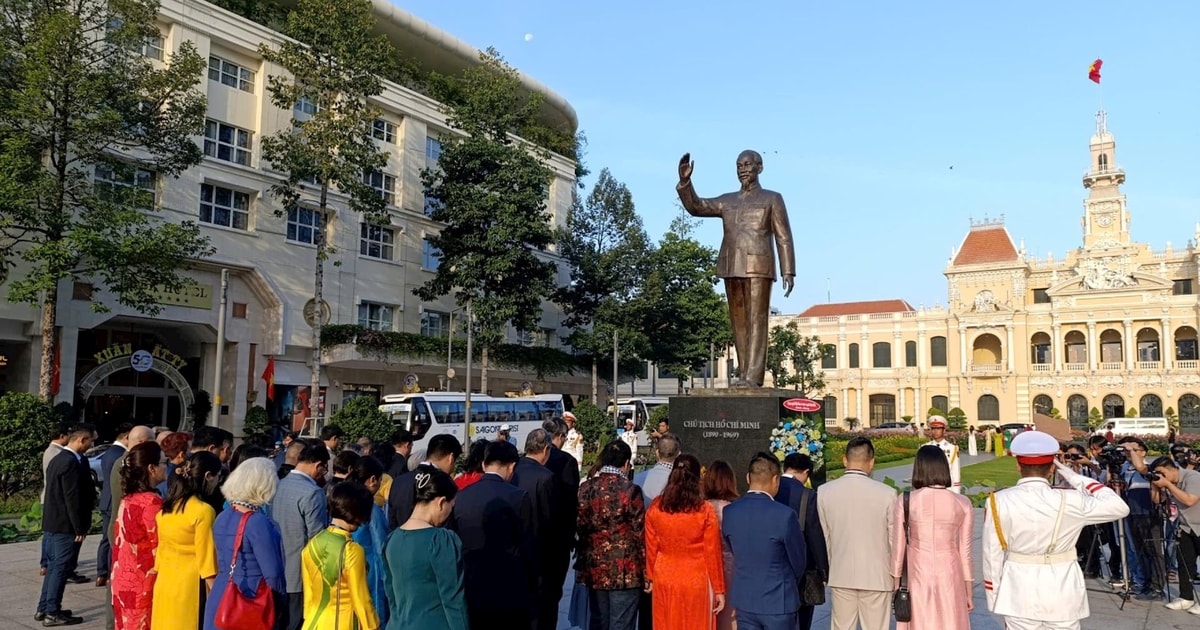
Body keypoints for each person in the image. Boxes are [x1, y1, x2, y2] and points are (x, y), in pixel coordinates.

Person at [982, 430, 1130, 629]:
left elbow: (991, 554)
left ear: (1018, 465)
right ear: (1052, 469)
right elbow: (1119, 507)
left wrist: (994, 596)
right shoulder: (1072, 499)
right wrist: (1073, 477)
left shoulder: (998, 500)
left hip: (1019, 587)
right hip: (1063, 586)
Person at [676, 149, 795, 387]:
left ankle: (754, 376)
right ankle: (744, 375)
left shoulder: (772, 198)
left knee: (757, 320)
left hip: (759, 266)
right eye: (739, 165)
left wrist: (788, 270)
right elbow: (697, 207)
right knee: (738, 324)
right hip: (731, 266)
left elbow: (784, 236)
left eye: (748, 164)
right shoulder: (726, 200)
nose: (743, 169)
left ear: (759, 167)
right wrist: (685, 182)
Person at [447, 440, 537, 628]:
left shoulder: (461, 496)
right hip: (509, 586)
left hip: (471, 583)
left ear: (483, 464)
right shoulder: (518, 497)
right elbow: (528, 546)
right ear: (512, 466)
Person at [890, 445, 974, 630]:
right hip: (950, 570)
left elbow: (898, 548)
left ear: (918, 469)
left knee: (920, 622)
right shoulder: (962, 503)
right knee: (951, 621)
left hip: (917, 570)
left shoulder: (906, 500)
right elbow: (966, 552)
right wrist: (968, 591)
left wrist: (897, 585)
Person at [817, 437, 896, 630]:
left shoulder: (824, 491)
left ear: (845, 460)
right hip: (877, 575)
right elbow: (894, 539)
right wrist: (897, 574)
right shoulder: (887, 493)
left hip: (841, 573)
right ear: (871, 462)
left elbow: (824, 537)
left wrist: (827, 569)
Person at [721, 453, 806, 630]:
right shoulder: (785, 515)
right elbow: (798, 561)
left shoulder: (730, 512)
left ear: (747, 477)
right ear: (776, 479)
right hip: (778, 600)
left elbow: (734, 549)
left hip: (745, 599)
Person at [645, 454, 726, 630]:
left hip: (665, 575)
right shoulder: (705, 511)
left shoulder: (656, 506)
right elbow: (712, 552)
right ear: (698, 478)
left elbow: (651, 546)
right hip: (695, 578)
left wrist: (650, 576)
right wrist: (719, 588)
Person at [203, 457, 285, 630]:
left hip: (221, 595)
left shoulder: (222, 516)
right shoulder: (257, 521)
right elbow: (273, 572)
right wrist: (280, 604)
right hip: (249, 597)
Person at [383, 465, 469, 630]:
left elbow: (391, 596)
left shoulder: (391, 540)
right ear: (441, 502)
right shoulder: (441, 540)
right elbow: (454, 601)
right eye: (451, 506)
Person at [577, 439, 646, 630]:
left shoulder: (586, 488)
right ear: (626, 463)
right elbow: (639, 532)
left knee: (598, 621)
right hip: (625, 569)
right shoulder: (630, 490)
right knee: (622, 623)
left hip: (595, 566)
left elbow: (581, 527)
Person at [151, 451, 223, 630]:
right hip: (190, 588)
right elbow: (208, 563)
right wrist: (220, 598)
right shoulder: (203, 511)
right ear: (208, 476)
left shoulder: (166, 509)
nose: (218, 483)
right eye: (217, 477)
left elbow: (160, 554)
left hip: (165, 583)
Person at [38, 423, 97, 625]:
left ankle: (44, 608)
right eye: (90, 441)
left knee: (54, 567)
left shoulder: (58, 458)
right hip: (64, 524)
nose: (91, 445)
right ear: (82, 440)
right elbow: (71, 497)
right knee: (60, 568)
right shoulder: (70, 461)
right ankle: (52, 612)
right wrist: (78, 527)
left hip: (54, 521)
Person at [269, 438, 331, 630]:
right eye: (323, 470)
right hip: (300, 575)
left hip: (276, 569)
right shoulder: (313, 492)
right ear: (318, 465)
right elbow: (317, 538)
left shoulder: (277, 485)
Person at [301, 483, 380, 630]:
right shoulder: (352, 550)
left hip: (313, 622)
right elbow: (360, 598)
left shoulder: (313, 543)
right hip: (343, 623)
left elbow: (309, 597)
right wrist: (373, 626)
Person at [111, 441, 167, 630]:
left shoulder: (128, 498)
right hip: (143, 579)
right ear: (151, 468)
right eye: (163, 462)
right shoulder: (152, 503)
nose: (166, 467)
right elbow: (159, 543)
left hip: (123, 575)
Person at [774, 454, 828, 630]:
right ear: (806, 472)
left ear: (784, 468)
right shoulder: (807, 495)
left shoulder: (770, 488)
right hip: (802, 568)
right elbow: (815, 535)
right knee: (802, 618)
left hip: (774, 565)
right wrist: (823, 571)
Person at [512, 429, 557, 630]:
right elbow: (550, 518)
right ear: (546, 449)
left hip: (514, 549)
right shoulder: (546, 477)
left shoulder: (513, 470)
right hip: (540, 552)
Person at [540, 418, 581, 630]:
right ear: (561, 437)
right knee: (553, 594)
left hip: (531, 536)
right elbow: (571, 500)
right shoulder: (566, 462)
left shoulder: (525, 461)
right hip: (558, 538)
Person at [1148, 456, 1200, 614]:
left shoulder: (1193, 477)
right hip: (1186, 527)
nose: (1160, 476)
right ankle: (1186, 597)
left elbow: (1190, 500)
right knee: (1184, 563)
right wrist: (1155, 485)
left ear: (1172, 468)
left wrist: (1167, 485)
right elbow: (1157, 501)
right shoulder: (1168, 483)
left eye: (1161, 473)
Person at [347, 457, 390, 626]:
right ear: (373, 480)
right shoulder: (372, 509)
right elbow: (381, 547)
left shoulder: (344, 501)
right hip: (371, 570)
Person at [387, 433, 461, 528]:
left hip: (400, 539)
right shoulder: (444, 484)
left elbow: (392, 521)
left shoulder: (399, 481)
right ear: (451, 458)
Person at [701, 460, 739, 630]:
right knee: (728, 619)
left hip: (705, 567)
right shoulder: (734, 510)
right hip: (730, 567)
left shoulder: (700, 509)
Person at [97, 422, 135, 588]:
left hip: (106, 499)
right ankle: (105, 571)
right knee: (110, 538)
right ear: (127, 436)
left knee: (106, 539)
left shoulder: (109, 452)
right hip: (114, 500)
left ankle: (101, 572)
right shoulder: (121, 456)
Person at [39, 422, 72, 579]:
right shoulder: (56, 453)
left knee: (49, 532)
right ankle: (46, 562)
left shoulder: (52, 451)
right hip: (52, 497)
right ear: (62, 436)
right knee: (50, 533)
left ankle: (46, 562)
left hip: (49, 496)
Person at [924, 416, 962, 493]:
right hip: (928, 488)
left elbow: (955, 471)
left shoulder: (952, 448)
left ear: (944, 430)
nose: (935, 431)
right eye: (933, 429)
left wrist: (956, 492)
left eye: (938, 428)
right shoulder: (925, 448)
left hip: (947, 488)